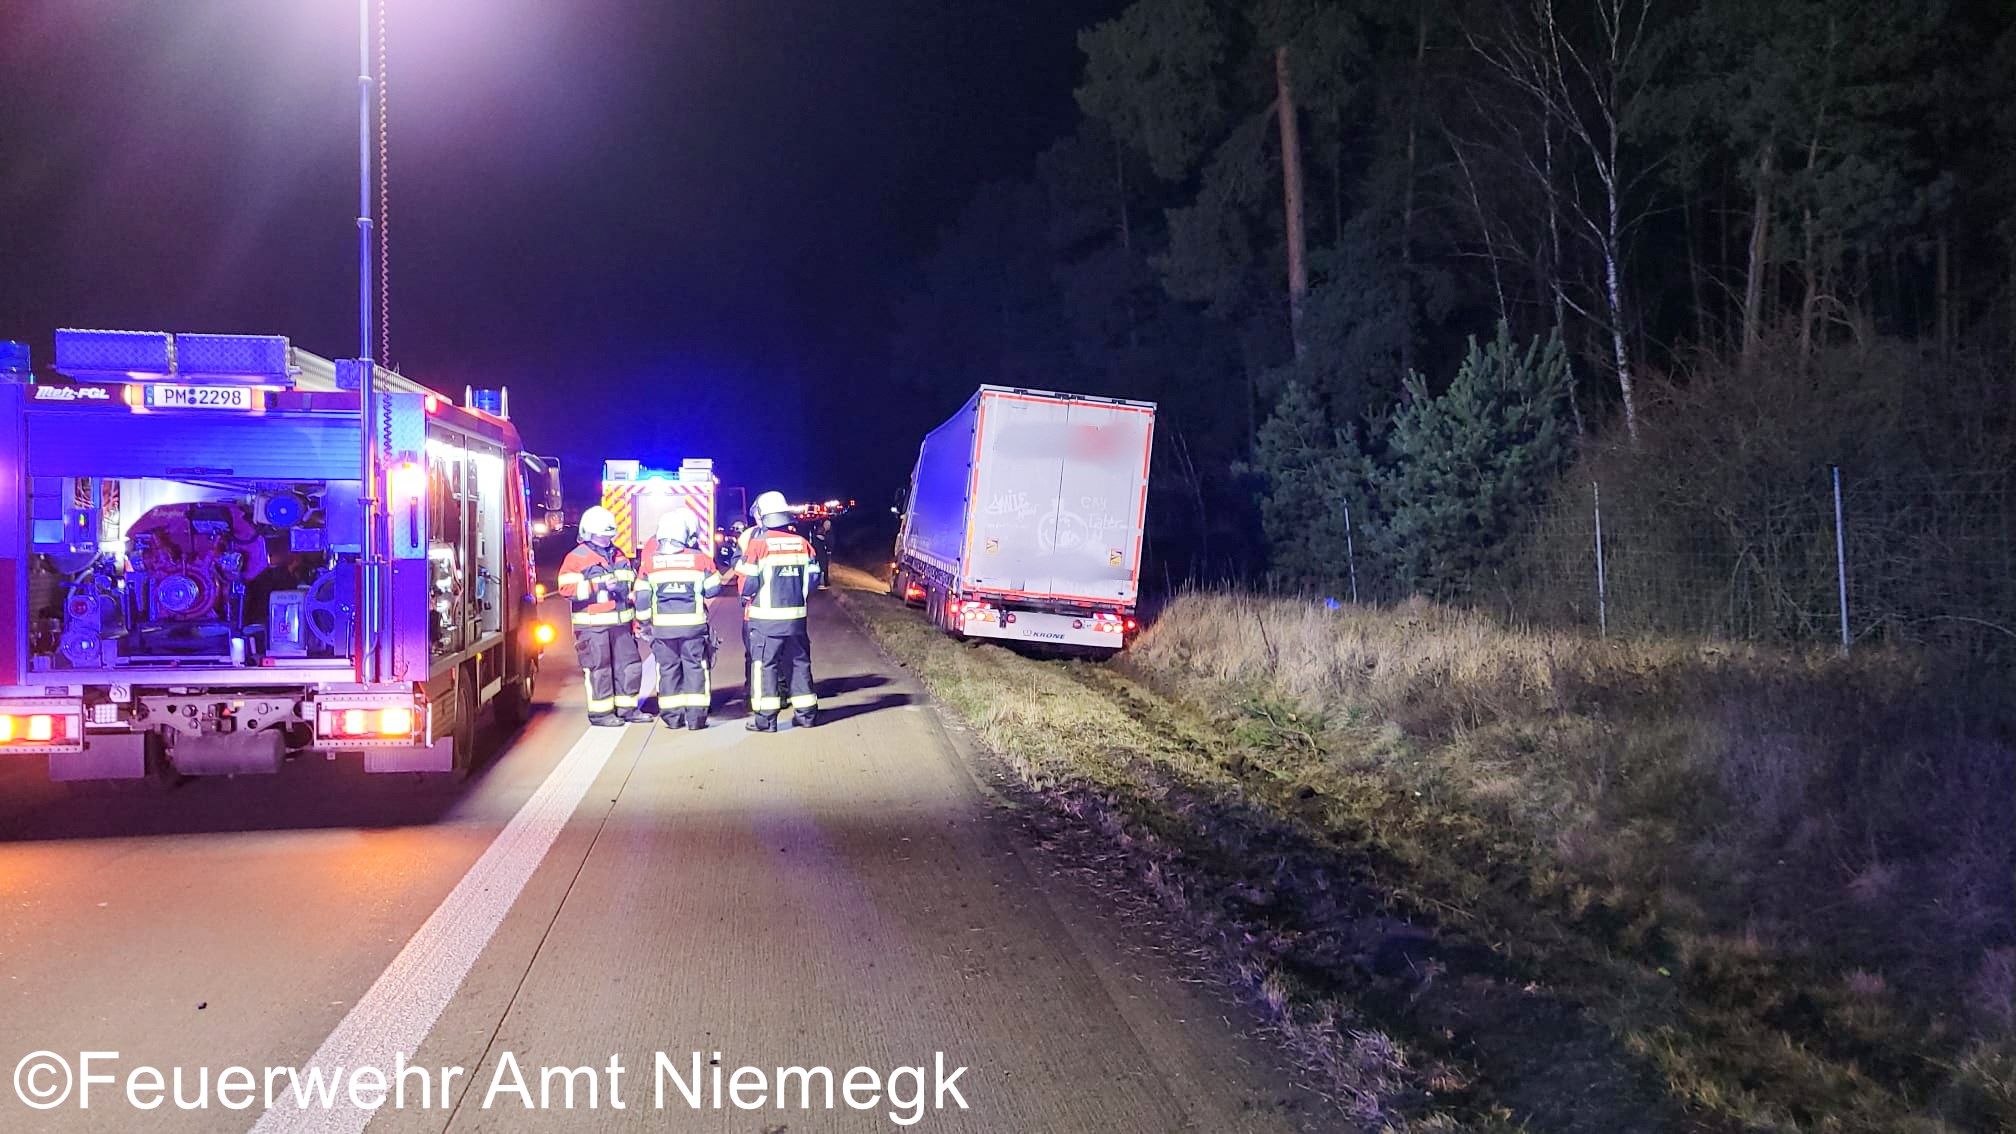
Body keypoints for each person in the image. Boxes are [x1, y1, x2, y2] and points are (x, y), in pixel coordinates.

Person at [736, 490, 820, 731]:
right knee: (799, 665)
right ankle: (806, 716)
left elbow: (747, 583)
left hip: (765, 622)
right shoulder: (804, 544)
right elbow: (814, 580)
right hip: (796, 621)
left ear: (763, 515)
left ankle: (766, 721)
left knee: (765, 668)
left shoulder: (758, 545)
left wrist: (745, 598)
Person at [557, 506, 646, 726]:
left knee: (630, 666)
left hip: (622, 624)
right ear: (589, 533)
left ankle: (627, 709)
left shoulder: (619, 554)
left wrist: (636, 614)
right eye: (602, 535)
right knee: (600, 669)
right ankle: (602, 714)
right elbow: (566, 589)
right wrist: (598, 585)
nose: (606, 539)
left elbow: (629, 586)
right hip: (592, 627)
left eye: (609, 534)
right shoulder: (576, 558)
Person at [636, 509, 720, 730]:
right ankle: (696, 719)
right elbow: (713, 589)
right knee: (695, 669)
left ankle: (672, 719)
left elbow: (642, 598)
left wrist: (644, 625)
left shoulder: (650, 563)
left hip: (663, 630)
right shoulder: (700, 559)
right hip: (693, 628)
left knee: (667, 670)